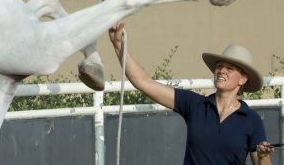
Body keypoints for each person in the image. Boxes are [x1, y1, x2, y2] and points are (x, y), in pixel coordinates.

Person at [109, 22, 274, 165]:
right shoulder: (195, 104)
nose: (222, 71)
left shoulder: (252, 120)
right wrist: (118, 45)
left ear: (243, 79)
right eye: (219, 66)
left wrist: (262, 156)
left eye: (230, 68)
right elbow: (143, 82)